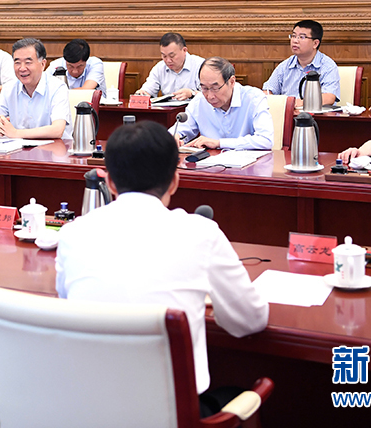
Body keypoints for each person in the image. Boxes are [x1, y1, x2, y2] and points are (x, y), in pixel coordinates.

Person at [55, 120, 268, 416]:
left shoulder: (72, 233)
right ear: (175, 180)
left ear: (110, 182)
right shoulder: (201, 233)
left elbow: (67, 302)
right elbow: (250, 321)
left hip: (87, 411)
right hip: (172, 415)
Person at [174, 57, 273, 150]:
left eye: (215, 88)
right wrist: (175, 136)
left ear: (232, 81)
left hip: (249, 161)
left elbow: (266, 140)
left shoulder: (254, 98)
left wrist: (219, 143)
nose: (210, 96)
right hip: (210, 161)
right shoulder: (199, 101)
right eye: (204, 88)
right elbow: (181, 129)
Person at [0, 38, 72, 141]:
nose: (22, 68)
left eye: (28, 62)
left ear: (43, 64)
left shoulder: (57, 87)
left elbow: (57, 130)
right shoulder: (9, 88)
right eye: (17, 62)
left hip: (54, 148)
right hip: (18, 148)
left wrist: (15, 133)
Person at [263, 19, 339, 107]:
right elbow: (267, 91)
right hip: (287, 114)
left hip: (314, 115)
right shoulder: (285, 65)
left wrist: (295, 103)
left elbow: (329, 97)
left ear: (315, 43)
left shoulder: (328, 66)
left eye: (302, 37)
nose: (295, 40)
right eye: (293, 36)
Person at [136, 33, 204, 100]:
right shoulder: (160, 68)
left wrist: (192, 93)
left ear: (184, 50)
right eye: (164, 56)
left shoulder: (200, 65)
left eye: (172, 56)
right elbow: (148, 89)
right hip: (167, 107)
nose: (168, 60)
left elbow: (208, 94)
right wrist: (142, 93)